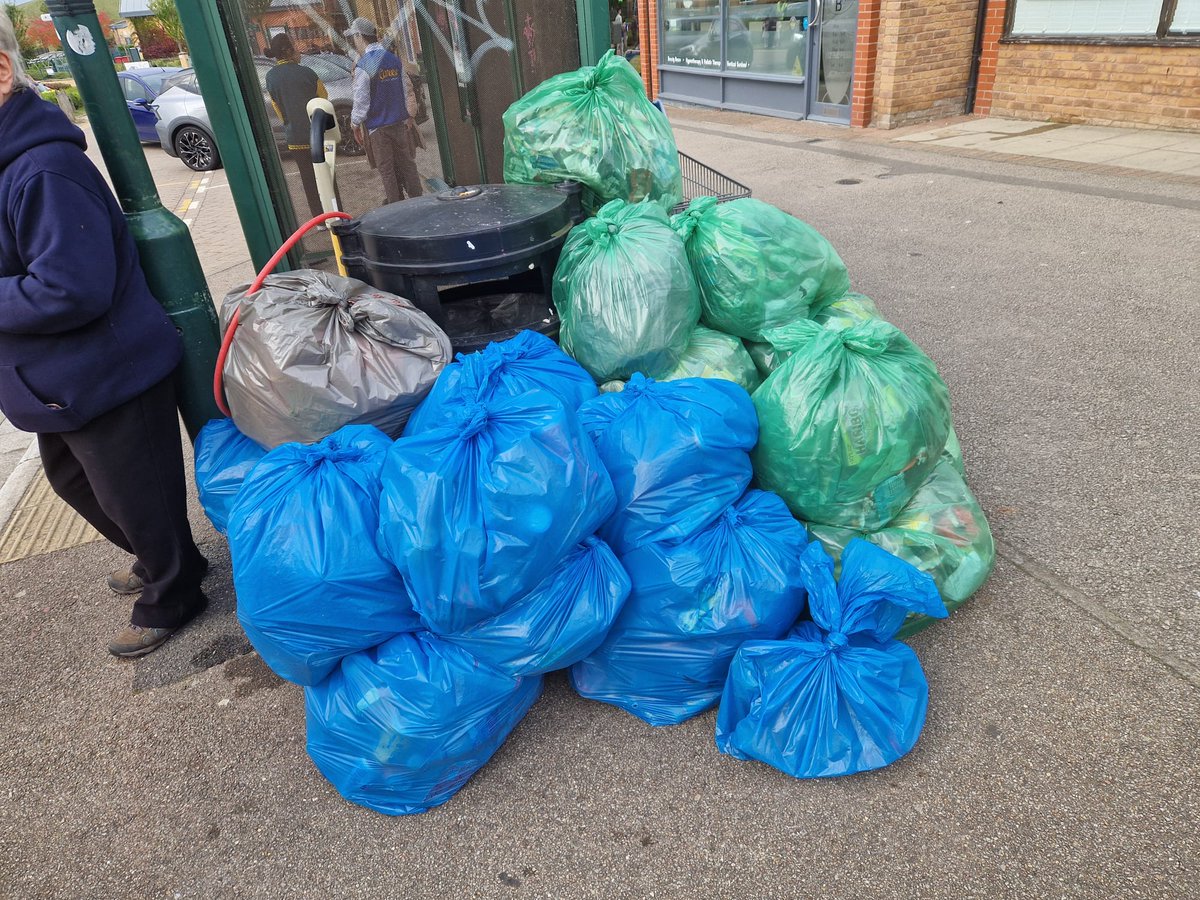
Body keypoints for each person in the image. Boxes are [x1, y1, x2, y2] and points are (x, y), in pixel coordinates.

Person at [0, 12, 208, 658]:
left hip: (105, 373)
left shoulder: (41, 169)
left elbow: (72, 287)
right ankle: (163, 558)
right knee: (78, 484)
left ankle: (174, 589)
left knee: (133, 490)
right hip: (61, 382)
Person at [344, 17, 422, 204]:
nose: (354, 42)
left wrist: (354, 123)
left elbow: (362, 100)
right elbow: (405, 89)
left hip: (378, 128)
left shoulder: (365, 65)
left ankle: (396, 207)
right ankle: (419, 201)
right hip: (399, 123)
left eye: (354, 38)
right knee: (408, 164)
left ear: (359, 37)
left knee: (387, 171)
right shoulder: (393, 59)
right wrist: (408, 116)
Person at [264, 32, 327, 219]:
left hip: (294, 138)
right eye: (295, 46)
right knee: (325, 176)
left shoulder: (271, 77)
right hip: (316, 135)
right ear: (289, 50)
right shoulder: (307, 73)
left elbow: (278, 109)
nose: (299, 50)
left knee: (308, 180)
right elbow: (323, 99)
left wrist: (289, 121)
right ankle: (334, 213)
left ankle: (319, 219)